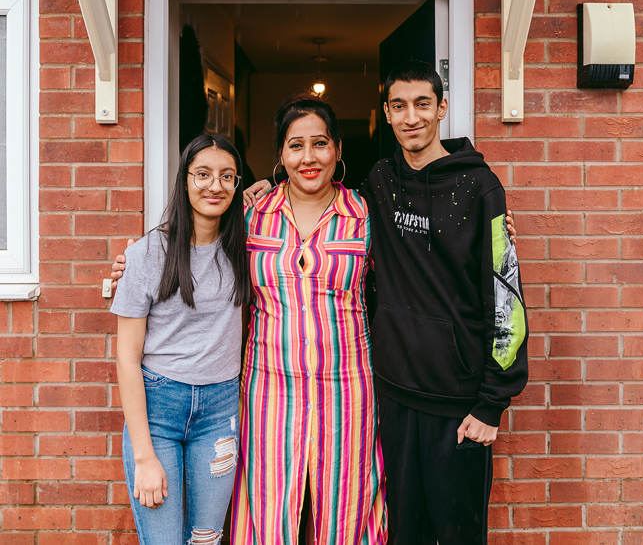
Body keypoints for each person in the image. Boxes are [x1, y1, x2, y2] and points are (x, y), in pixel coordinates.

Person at [245, 61, 526, 545]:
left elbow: (506, 296)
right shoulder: (378, 184)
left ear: (441, 108)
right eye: (399, 106)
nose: (411, 116)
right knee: (402, 533)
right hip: (393, 397)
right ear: (387, 114)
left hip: (455, 401)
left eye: (422, 104)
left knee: (459, 534)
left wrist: (491, 402)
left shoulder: (479, 189)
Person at [112, 96, 387, 545]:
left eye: (320, 143)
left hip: (347, 391)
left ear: (337, 149)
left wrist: (488, 230)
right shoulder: (249, 217)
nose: (308, 156)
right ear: (280, 154)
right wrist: (131, 263)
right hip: (267, 393)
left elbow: (419, 268)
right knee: (265, 514)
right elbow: (188, 237)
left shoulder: (367, 216)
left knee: (348, 513)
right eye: (295, 145)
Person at [111, 134, 249, 545]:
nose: (215, 186)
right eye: (202, 174)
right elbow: (127, 357)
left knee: (206, 538)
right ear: (184, 180)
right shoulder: (147, 253)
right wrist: (144, 455)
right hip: (158, 412)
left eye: (227, 176)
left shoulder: (247, 246)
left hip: (219, 411)